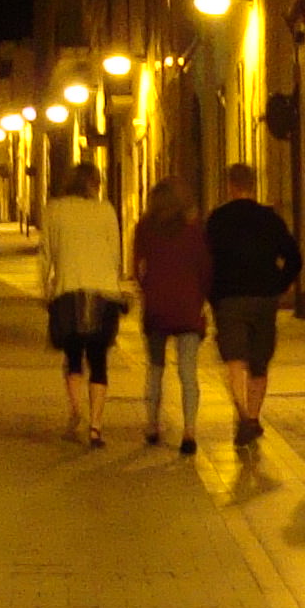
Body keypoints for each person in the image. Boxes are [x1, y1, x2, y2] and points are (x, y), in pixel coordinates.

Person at [204, 161, 301, 448]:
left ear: (230, 186)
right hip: (263, 298)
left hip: (229, 298)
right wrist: (279, 285)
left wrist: (212, 295)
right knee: (260, 361)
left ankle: (243, 416)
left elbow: (205, 261)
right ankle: (254, 416)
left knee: (235, 360)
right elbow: (294, 257)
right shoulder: (270, 219)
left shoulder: (218, 219)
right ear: (253, 186)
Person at [38, 158, 126, 446]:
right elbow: (115, 254)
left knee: (73, 357)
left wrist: (44, 289)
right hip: (103, 294)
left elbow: (46, 254)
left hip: (68, 291)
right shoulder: (106, 210)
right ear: (94, 184)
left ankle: (77, 409)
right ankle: (96, 426)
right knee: (99, 361)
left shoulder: (54, 210)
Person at [131, 176, 212, 455]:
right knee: (188, 372)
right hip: (188, 307)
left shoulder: (144, 228)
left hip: (157, 308)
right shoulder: (194, 230)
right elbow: (205, 268)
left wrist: (148, 289)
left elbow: (137, 267)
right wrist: (201, 298)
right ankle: (189, 431)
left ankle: (152, 425)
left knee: (155, 369)